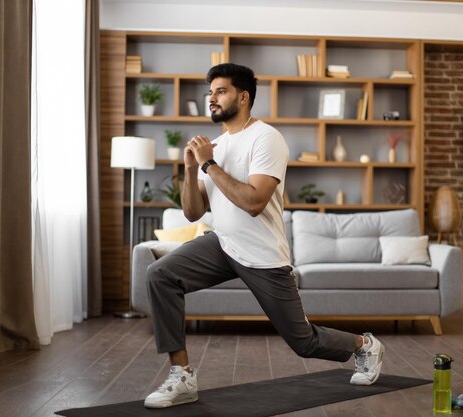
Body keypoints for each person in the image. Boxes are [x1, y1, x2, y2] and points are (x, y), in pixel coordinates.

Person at [143, 63, 384, 409]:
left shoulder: (267, 138)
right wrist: (191, 168)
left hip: (262, 253)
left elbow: (254, 202)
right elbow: (193, 213)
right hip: (223, 244)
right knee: (161, 274)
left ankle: (365, 346)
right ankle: (181, 376)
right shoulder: (217, 145)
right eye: (209, 92)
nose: (211, 98)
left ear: (243, 97)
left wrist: (209, 165)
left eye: (220, 91)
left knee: (303, 342)